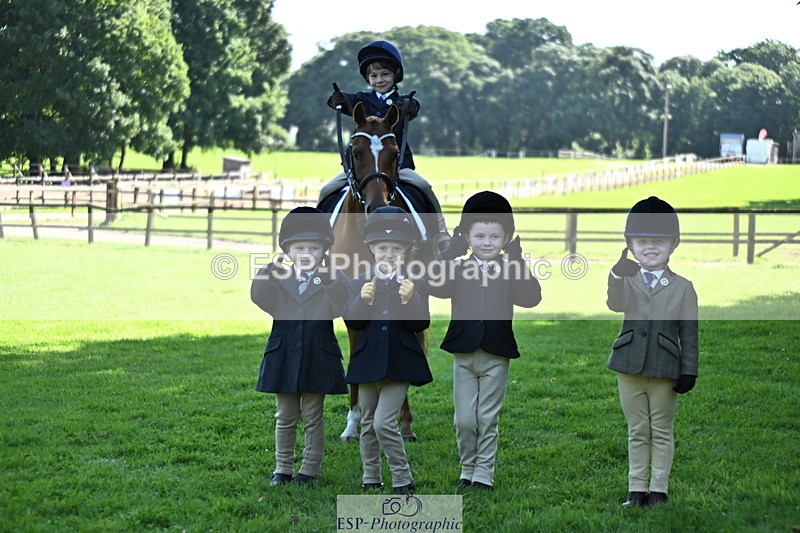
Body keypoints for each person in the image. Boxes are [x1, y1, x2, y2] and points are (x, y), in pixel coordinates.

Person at [428, 191, 542, 490]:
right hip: (464, 354)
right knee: (465, 420)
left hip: (496, 354)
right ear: (466, 237)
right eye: (479, 236)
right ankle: (467, 468)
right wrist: (447, 254)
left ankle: (483, 474)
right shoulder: (458, 268)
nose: (487, 242)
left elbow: (531, 298)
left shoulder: (510, 269)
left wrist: (518, 262)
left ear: (507, 238)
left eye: (495, 236)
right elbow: (430, 283)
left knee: (486, 417)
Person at [321, 40, 459, 259]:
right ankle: (319, 238)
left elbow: (412, 108)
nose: (379, 80)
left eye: (384, 74)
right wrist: (335, 100)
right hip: (361, 168)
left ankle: (440, 234)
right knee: (327, 189)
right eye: (374, 76)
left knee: (423, 186)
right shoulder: (361, 99)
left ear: (396, 75)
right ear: (368, 79)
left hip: (397, 166)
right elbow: (343, 101)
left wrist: (409, 107)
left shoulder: (402, 103)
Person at [606, 196, 698, 507]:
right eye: (642, 241)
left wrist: (690, 369)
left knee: (660, 429)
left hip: (664, 369)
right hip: (629, 364)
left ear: (673, 244)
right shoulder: (626, 279)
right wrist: (616, 275)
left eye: (658, 241)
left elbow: (689, 333)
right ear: (629, 244)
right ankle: (635, 490)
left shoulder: (684, 287)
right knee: (637, 430)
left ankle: (658, 490)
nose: (650, 247)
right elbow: (615, 304)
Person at [250, 206, 350, 486]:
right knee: (285, 415)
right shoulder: (279, 277)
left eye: (313, 249)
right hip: (283, 356)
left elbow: (340, 303)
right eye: (299, 248)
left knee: (313, 415)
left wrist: (333, 275)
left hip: (318, 356)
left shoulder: (330, 278)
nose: (306, 254)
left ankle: (309, 469)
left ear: (324, 252)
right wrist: (269, 269)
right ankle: (282, 468)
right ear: (288, 252)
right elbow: (259, 297)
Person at [343, 206, 433, 495]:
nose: (389, 254)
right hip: (368, 362)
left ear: (405, 252)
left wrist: (410, 300)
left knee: (383, 422)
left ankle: (402, 477)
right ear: (371, 249)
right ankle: (371, 475)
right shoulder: (359, 282)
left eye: (396, 249)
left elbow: (421, 322)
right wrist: (361, 300)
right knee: (368, 422)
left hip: (399, 364)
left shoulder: (413, 283)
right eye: (383, 248)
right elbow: (353, 321)